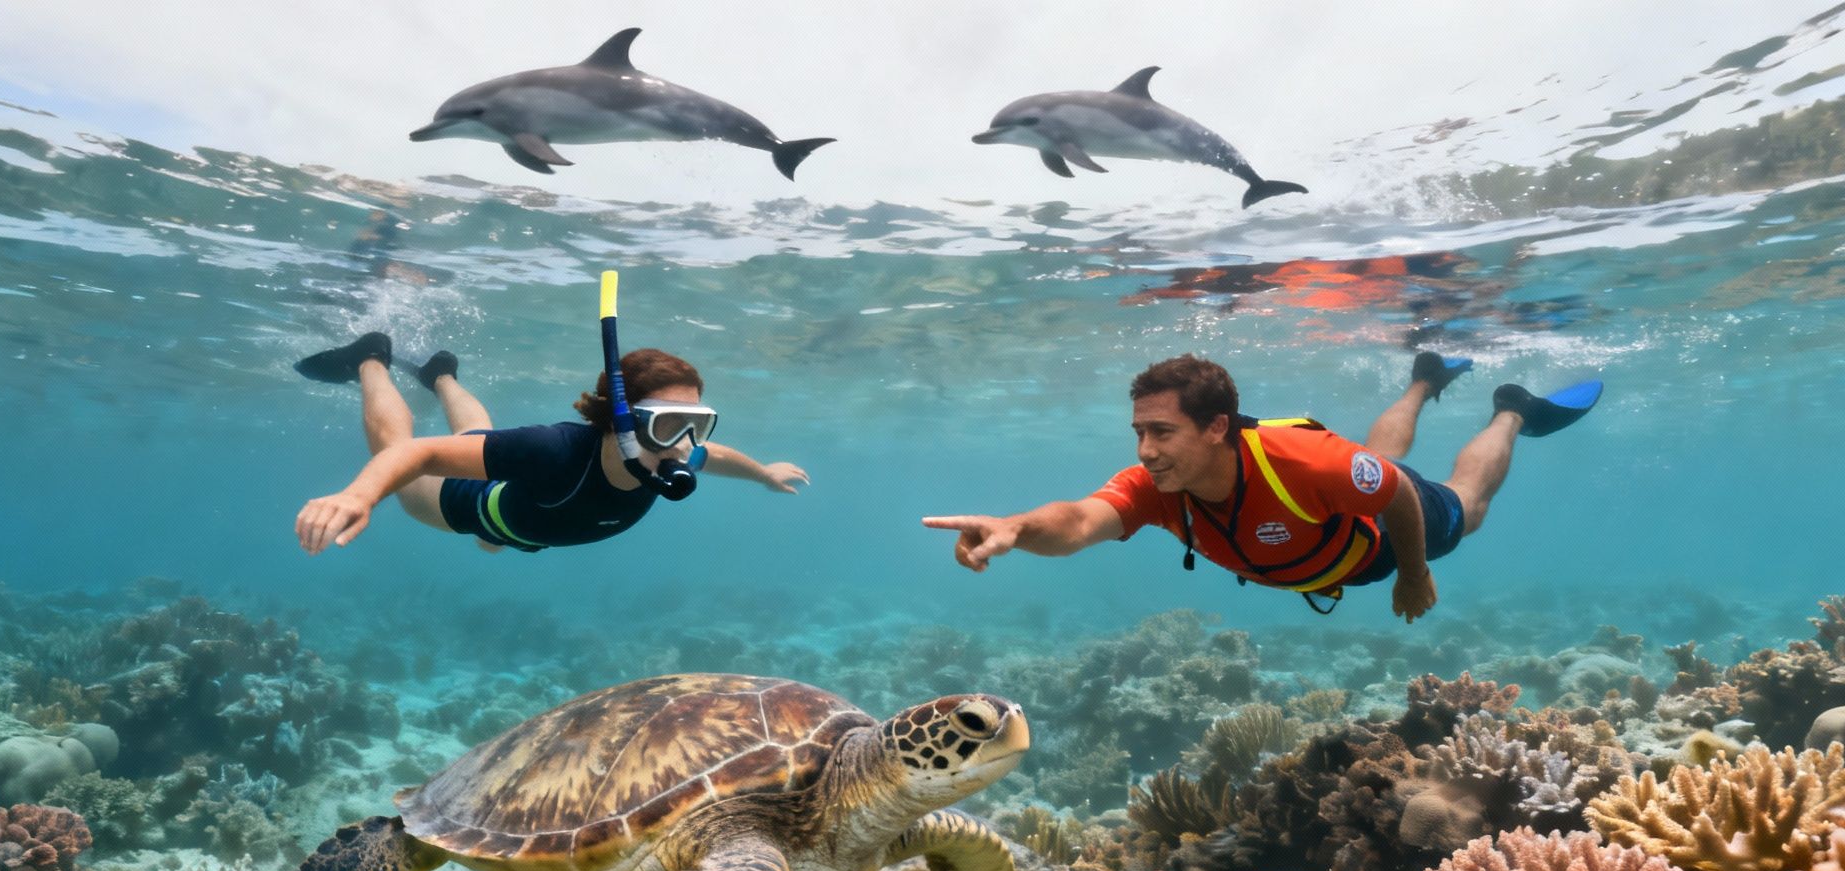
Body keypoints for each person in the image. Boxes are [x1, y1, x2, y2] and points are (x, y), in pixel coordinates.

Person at [922, 352, 1600, 622]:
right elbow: (1076, 521)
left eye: (1162, 432)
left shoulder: (1302, 463)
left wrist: (1413, 575)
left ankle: (1514, 408)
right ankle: (1425, 378)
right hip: (1344, 507)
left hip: (1386, 539)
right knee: (1370, 461)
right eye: (1138, 432)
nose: (1145, 451)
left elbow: (1392, 494)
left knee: (1465, 505)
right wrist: (1013, 526)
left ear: (1217, 426)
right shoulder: (1157, 486)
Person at [292, 332, 807, 555]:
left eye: (696, 424)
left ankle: (441, 377)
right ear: (618, 422)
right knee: (400, 449)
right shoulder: (554, 451)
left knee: (479, 437)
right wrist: (360, 496)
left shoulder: (670, 454)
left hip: (525, 522)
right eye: (668, 425)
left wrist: (763, 473)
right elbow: (417, 456)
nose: (683, 446)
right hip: (464, 503)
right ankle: (370, 358)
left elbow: (713, 456)